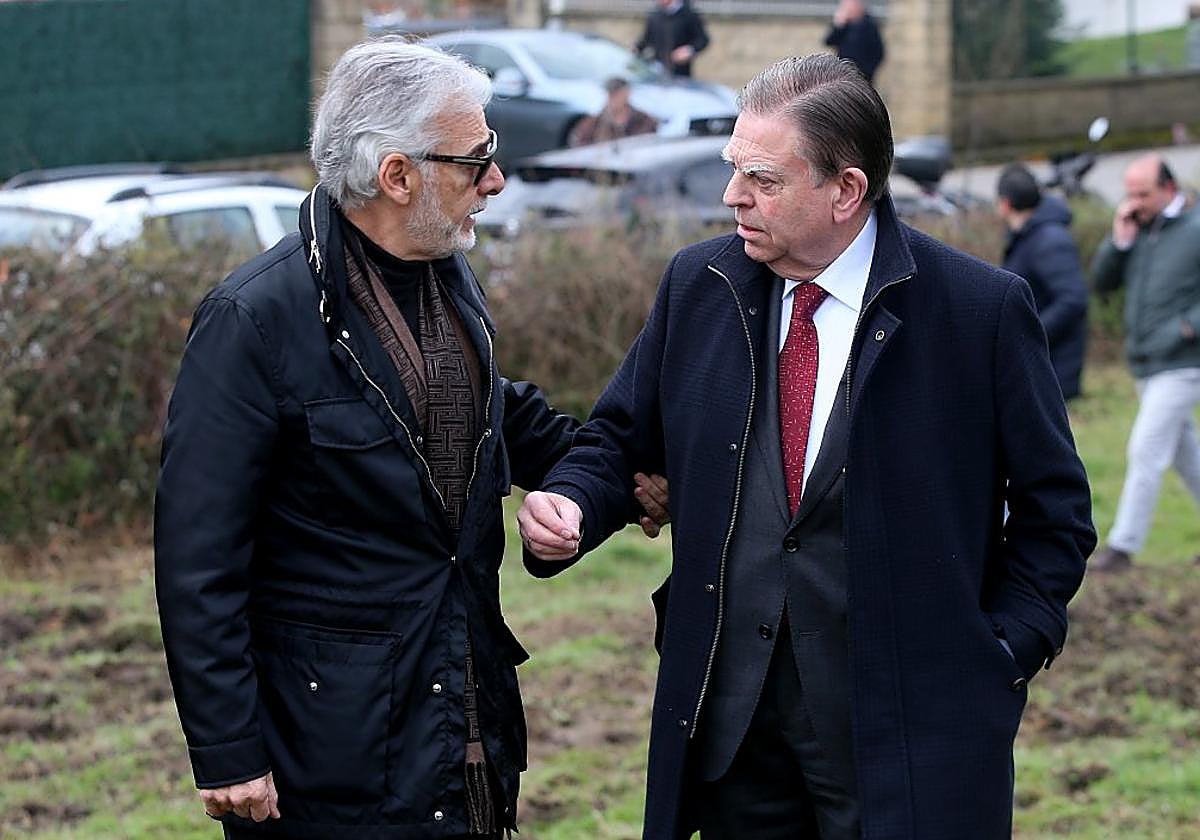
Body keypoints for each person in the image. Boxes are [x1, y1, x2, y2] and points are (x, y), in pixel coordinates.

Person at [518, 53, 1094, 840]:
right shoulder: (700, 285)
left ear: (846, 191)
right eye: (733, 170)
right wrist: (574, 502)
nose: (732, 197)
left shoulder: (978, 312)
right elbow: (619, 438)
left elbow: (1055, 514)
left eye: (763, 179)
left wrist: (1000, 655)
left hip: (905, 736)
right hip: (731, 730)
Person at [154, 38, 666, 839]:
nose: (496, 179)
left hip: (463, 713)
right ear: (397, 175)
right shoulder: (254, 320)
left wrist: (618, 477)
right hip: (329, 754)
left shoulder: (443, 269)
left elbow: (489, 411)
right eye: (475, 160)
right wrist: (226, 749)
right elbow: (198, 557)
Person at [1090, 154, 1200, 573]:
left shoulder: (1194, 228)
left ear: (1168, 189)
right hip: (1146, 362)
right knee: (1185, 455)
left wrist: (1186, 329)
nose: (1134, 201)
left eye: (1143, 193)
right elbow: (1102, 284)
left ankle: (1123, 546)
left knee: (1146, 449)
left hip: (1183, 363)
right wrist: (1119, 241)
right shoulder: (1138, 229)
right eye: (1129, 193)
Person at [996, 163, 1089, 400]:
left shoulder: (1048, 240)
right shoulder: (1025, 237)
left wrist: (1031, 333)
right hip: (1036, 361)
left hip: (1054, 364)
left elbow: (1073, 299)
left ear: (1005, 204)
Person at [568, 77, 659, 147]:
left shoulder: (644, 120)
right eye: (610, 94)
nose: (613, 98)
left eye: (616, 93)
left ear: (627, 94)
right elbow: (578, 142)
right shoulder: (595, 122)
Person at [634, 0, 710, 79]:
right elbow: (646, 39)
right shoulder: (654, 16)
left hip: (681, 73)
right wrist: (637, 48)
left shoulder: (689, 14)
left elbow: (702, 39)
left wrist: (689, 50)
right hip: (658, 71)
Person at [823, 0, 885, 85]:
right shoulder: (844, 25)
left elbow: (878, 52)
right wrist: (838, 25)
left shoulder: (869, 25)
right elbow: (829, 41)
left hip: (863, 76)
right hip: (843, 73)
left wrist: (867, 71)